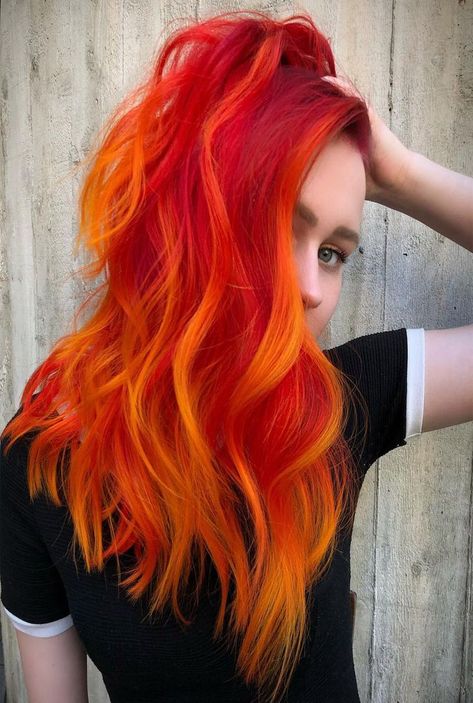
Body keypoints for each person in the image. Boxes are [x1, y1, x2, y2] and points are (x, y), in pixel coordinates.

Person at [0, 9, 471, 703]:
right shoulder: (41, 464)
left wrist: (398, 174)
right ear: (187, 220)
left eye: (333, 252)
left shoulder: (340, 405)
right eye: (279, 225)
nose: (312, 288)